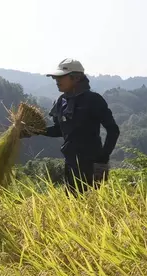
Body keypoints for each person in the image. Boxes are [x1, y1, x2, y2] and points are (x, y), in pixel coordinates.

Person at [22, 58, 120, 194]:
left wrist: (103, 158)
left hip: (91, 163)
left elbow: (113, 130)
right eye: (56, 77)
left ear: (76, 78)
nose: (57, 81)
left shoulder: (93, 100)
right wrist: (35, 131)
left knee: (93, 205)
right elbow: (60, 130)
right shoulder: (62, 101)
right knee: (73, 204)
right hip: (70, 162)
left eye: (61, 77)